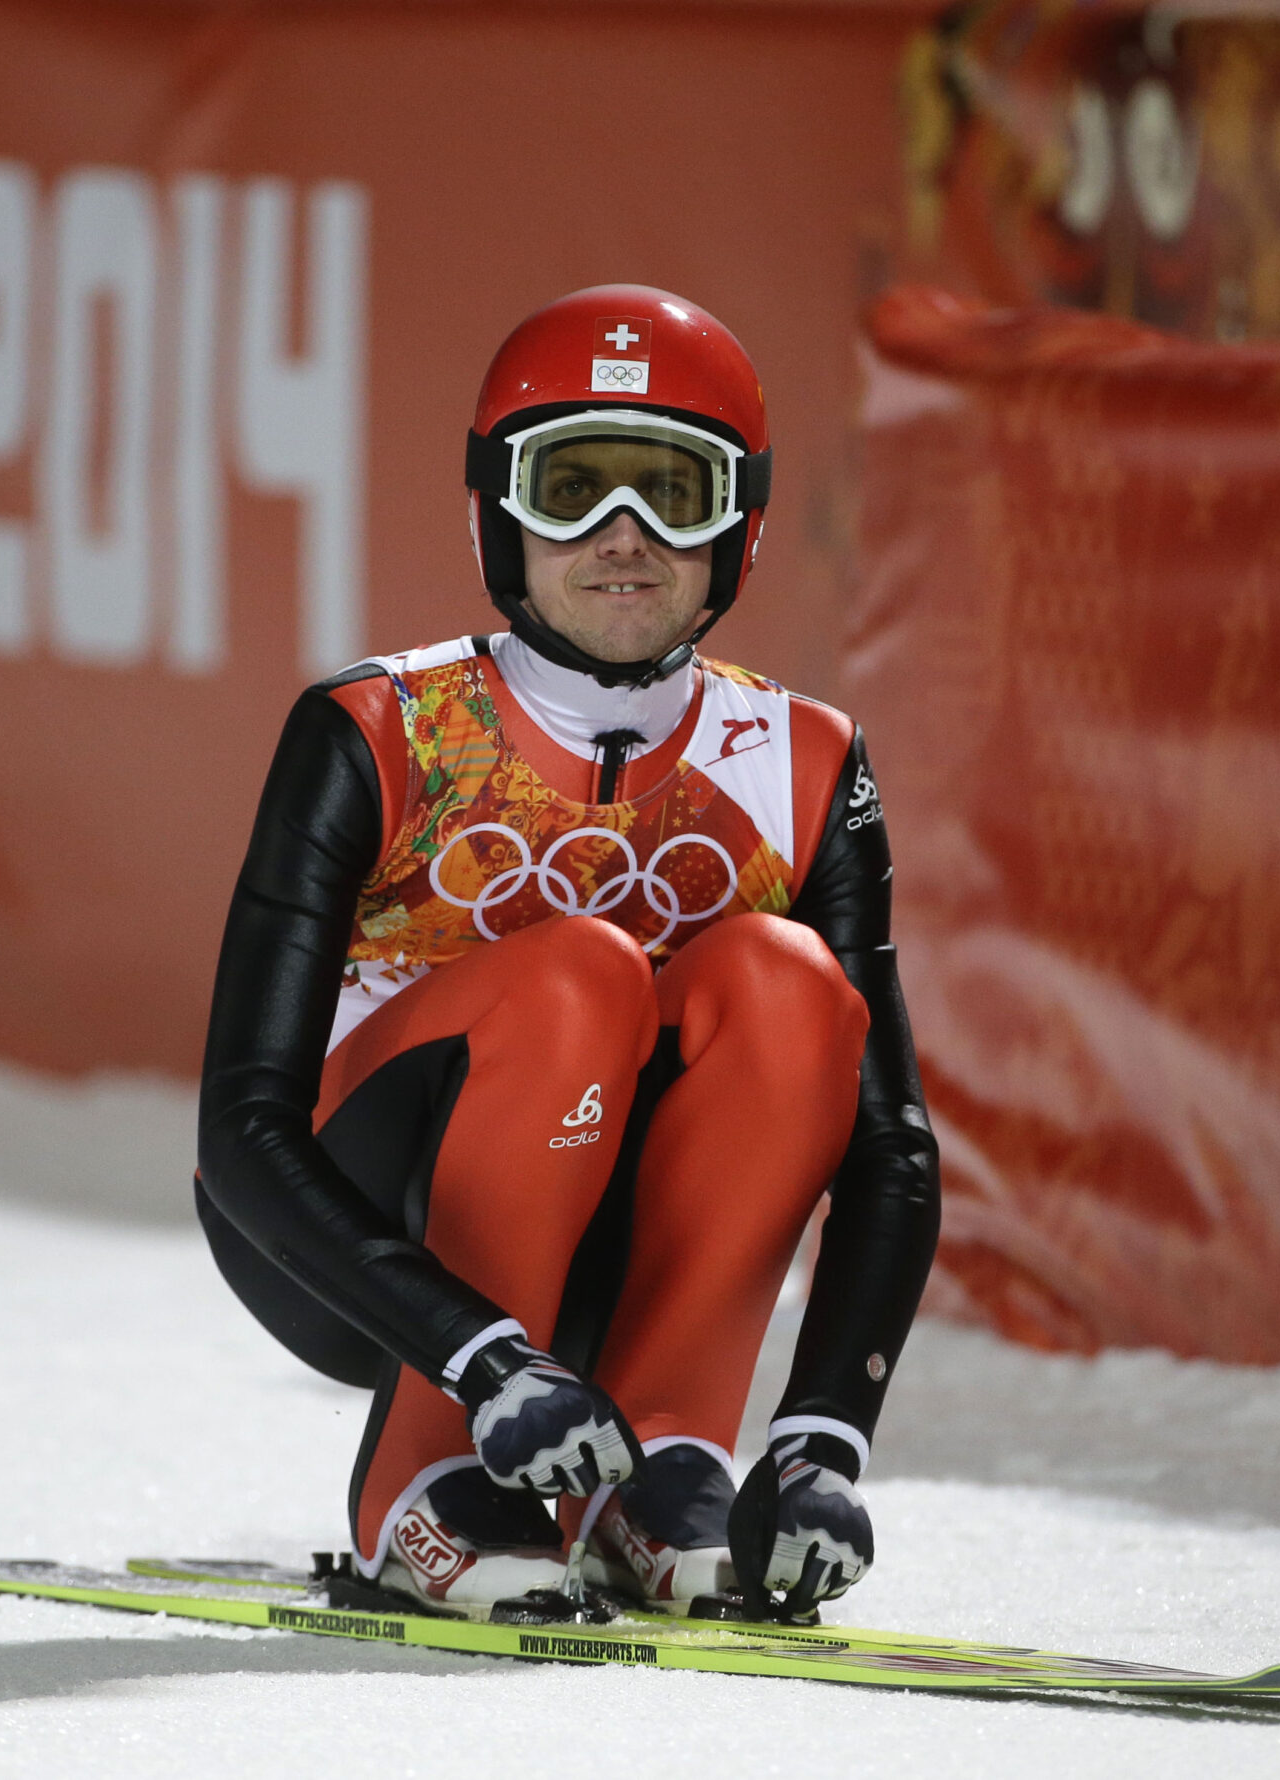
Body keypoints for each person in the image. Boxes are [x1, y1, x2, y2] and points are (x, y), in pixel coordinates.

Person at [196, 285, 940, 1619]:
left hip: (610, 1265)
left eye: (675, 492)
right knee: (579, 972)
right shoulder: (373, 728)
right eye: (571, 487)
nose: (624, 540)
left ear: (742, 527)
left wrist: (825, 1433)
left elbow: (889, 1145)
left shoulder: (811, 763)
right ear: (497, 510)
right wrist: (477, 1358)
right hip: (350, 1251)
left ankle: (658, 1470)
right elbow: (241, 1128)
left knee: (787, 984)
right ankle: (422, 1489)